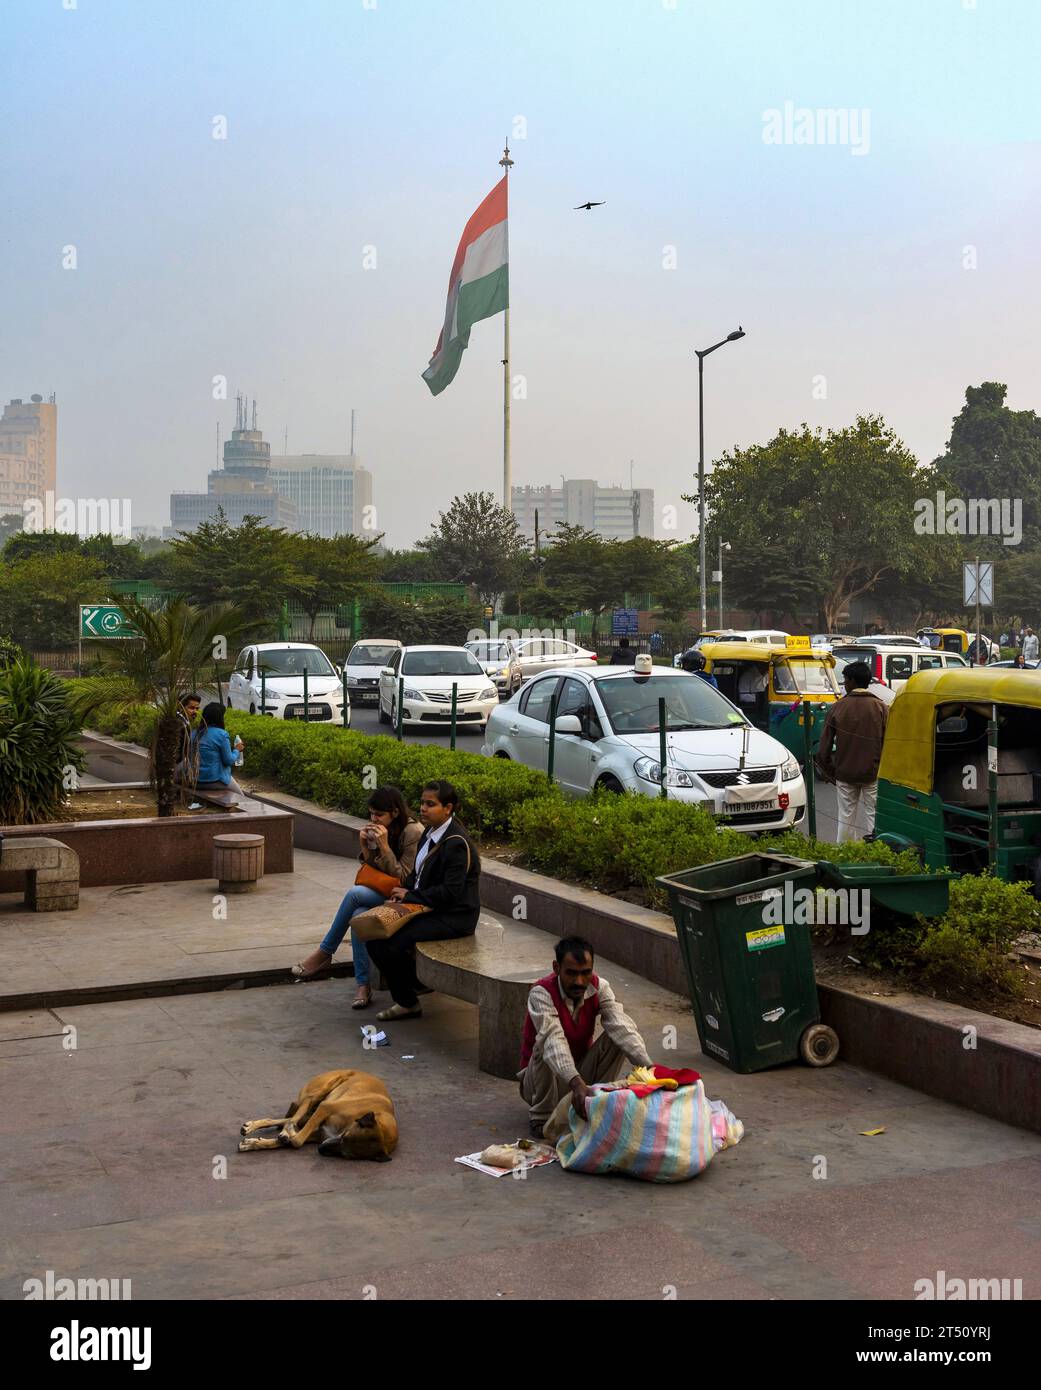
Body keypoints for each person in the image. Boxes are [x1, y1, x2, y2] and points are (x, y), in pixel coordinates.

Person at [292, 786, 423, 1007]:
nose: (374, 819)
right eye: (371, 814)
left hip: (407, 897)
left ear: (395, 812)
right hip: (384, 892)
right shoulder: (382, 828)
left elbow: (405, 878)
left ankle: (325, 952)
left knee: (355, 894)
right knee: (359, 915)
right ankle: (363, 984)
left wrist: (384, 847)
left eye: (379, 814)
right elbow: (372, 869)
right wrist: (366, 848)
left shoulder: (413, 832)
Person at [366, 780, 481, 1022]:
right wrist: (402, 891)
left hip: (453, 916)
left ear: (448, 808)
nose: (423, 809)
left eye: (431, 804)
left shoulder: (456, 843)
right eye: (421, 803)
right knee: (373, 935)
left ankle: (410, 998)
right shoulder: (428, 832)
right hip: (426, 905)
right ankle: (413, 989)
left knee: (390, 944)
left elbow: (451, 893)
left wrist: (410, 896)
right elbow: (418, 875)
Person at [518, 936, 653, 1139]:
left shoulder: (600, 987)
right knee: (545, 1042)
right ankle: (542, 1116)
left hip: (581, 1075)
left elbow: (622, 1026)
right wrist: (575, 1083)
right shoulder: (541, 993)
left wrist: (651, 1070)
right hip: (540, 1083)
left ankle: (597, 1100)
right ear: (557, 968)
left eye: (585, 973)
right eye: (571, 973)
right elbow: (554, 1040)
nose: (579, 981)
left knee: (618, 1035)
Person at [814, 661, 888, 843]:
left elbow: (823, 749)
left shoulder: (838, 707)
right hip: (873, 772)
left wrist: (832, 772)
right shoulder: (881, 707)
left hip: (845, 773)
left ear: (853, 681)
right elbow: (891, 744)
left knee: (846, 817)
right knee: (873, 816)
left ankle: (845, 856)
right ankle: (875, 854)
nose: (844, 684)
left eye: (846, 680)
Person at [191, 702, 246, 808]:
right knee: (242, 799)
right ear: (219, 717)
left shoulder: (194, 733)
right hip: (215, 781)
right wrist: (237, 750)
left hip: (195, 780)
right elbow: (229, 760)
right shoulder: (221, 734)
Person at [174, 692, 201, 784]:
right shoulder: (180, 724)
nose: (195, 712)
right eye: (191, 708)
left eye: (197, 708)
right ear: (181, 707)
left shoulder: (184, 722)